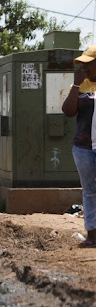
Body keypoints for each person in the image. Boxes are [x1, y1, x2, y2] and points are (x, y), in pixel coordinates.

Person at [62, 45, 96, 248]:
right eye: (82, 64)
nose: (84, 68)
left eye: (88, 63)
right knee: (90, 192)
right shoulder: (81, 86)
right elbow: (67, 111)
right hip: (84, 149)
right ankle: (92, 236)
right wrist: (75, 86)